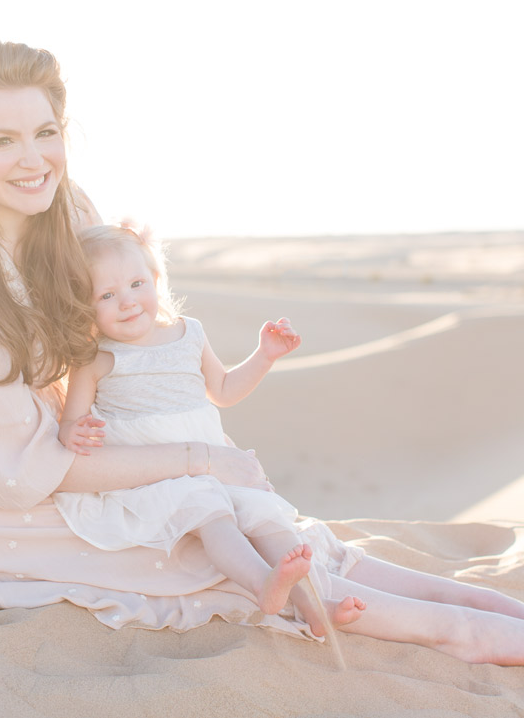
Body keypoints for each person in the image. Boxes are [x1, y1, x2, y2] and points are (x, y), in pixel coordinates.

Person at [0, 37, 524, 664]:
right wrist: (197, 459)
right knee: (188, 540)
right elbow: (13, 477)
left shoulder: (66, 208)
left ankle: (468, 601)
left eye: (46, 131)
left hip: (54, 447)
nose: (33, 157)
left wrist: (196, 434)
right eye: (3, 139)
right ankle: (447, 629)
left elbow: (129, 334)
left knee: (239, 513)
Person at [54, 223, 364, 633]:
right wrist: (73, 432)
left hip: (214, 462)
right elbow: (70, 423)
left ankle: (313, 604)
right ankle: (262, 584)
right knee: (209, 510)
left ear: (156, 281)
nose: (127, 302)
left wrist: (264, 356)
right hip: (157, 477)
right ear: (85, 307)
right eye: (107, 295)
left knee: (263, 515)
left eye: (136, 283)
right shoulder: (96, 359)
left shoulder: (189, 333)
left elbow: (223, 390)